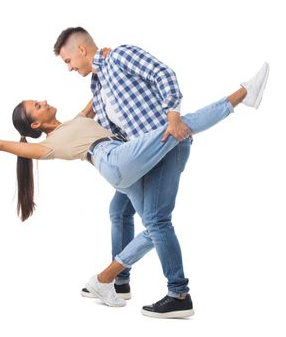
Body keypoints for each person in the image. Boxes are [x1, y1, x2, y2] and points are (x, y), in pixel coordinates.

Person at [0, 64, 270, 318]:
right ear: (35, 124)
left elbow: (98, 89)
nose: (44, 100)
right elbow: (1, 144)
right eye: (37, 105)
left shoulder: (73, 122)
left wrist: (105, 60)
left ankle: (114, 281)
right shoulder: (46, 147)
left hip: (123, 167)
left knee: (134, 217)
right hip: (117, 161)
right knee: (175, 127)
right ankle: (242, 95)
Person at [53, 26, 267, 317]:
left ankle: (178, 294)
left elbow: (164, 74)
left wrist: (173, 116)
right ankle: (120, 281)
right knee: (119, 210)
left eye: (68, 61)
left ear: (81, 50)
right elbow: (89, 124)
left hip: (167, 144)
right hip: (142, 159)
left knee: (156, 221)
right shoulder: (98, 87)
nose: (68, 68)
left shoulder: (120, 57)